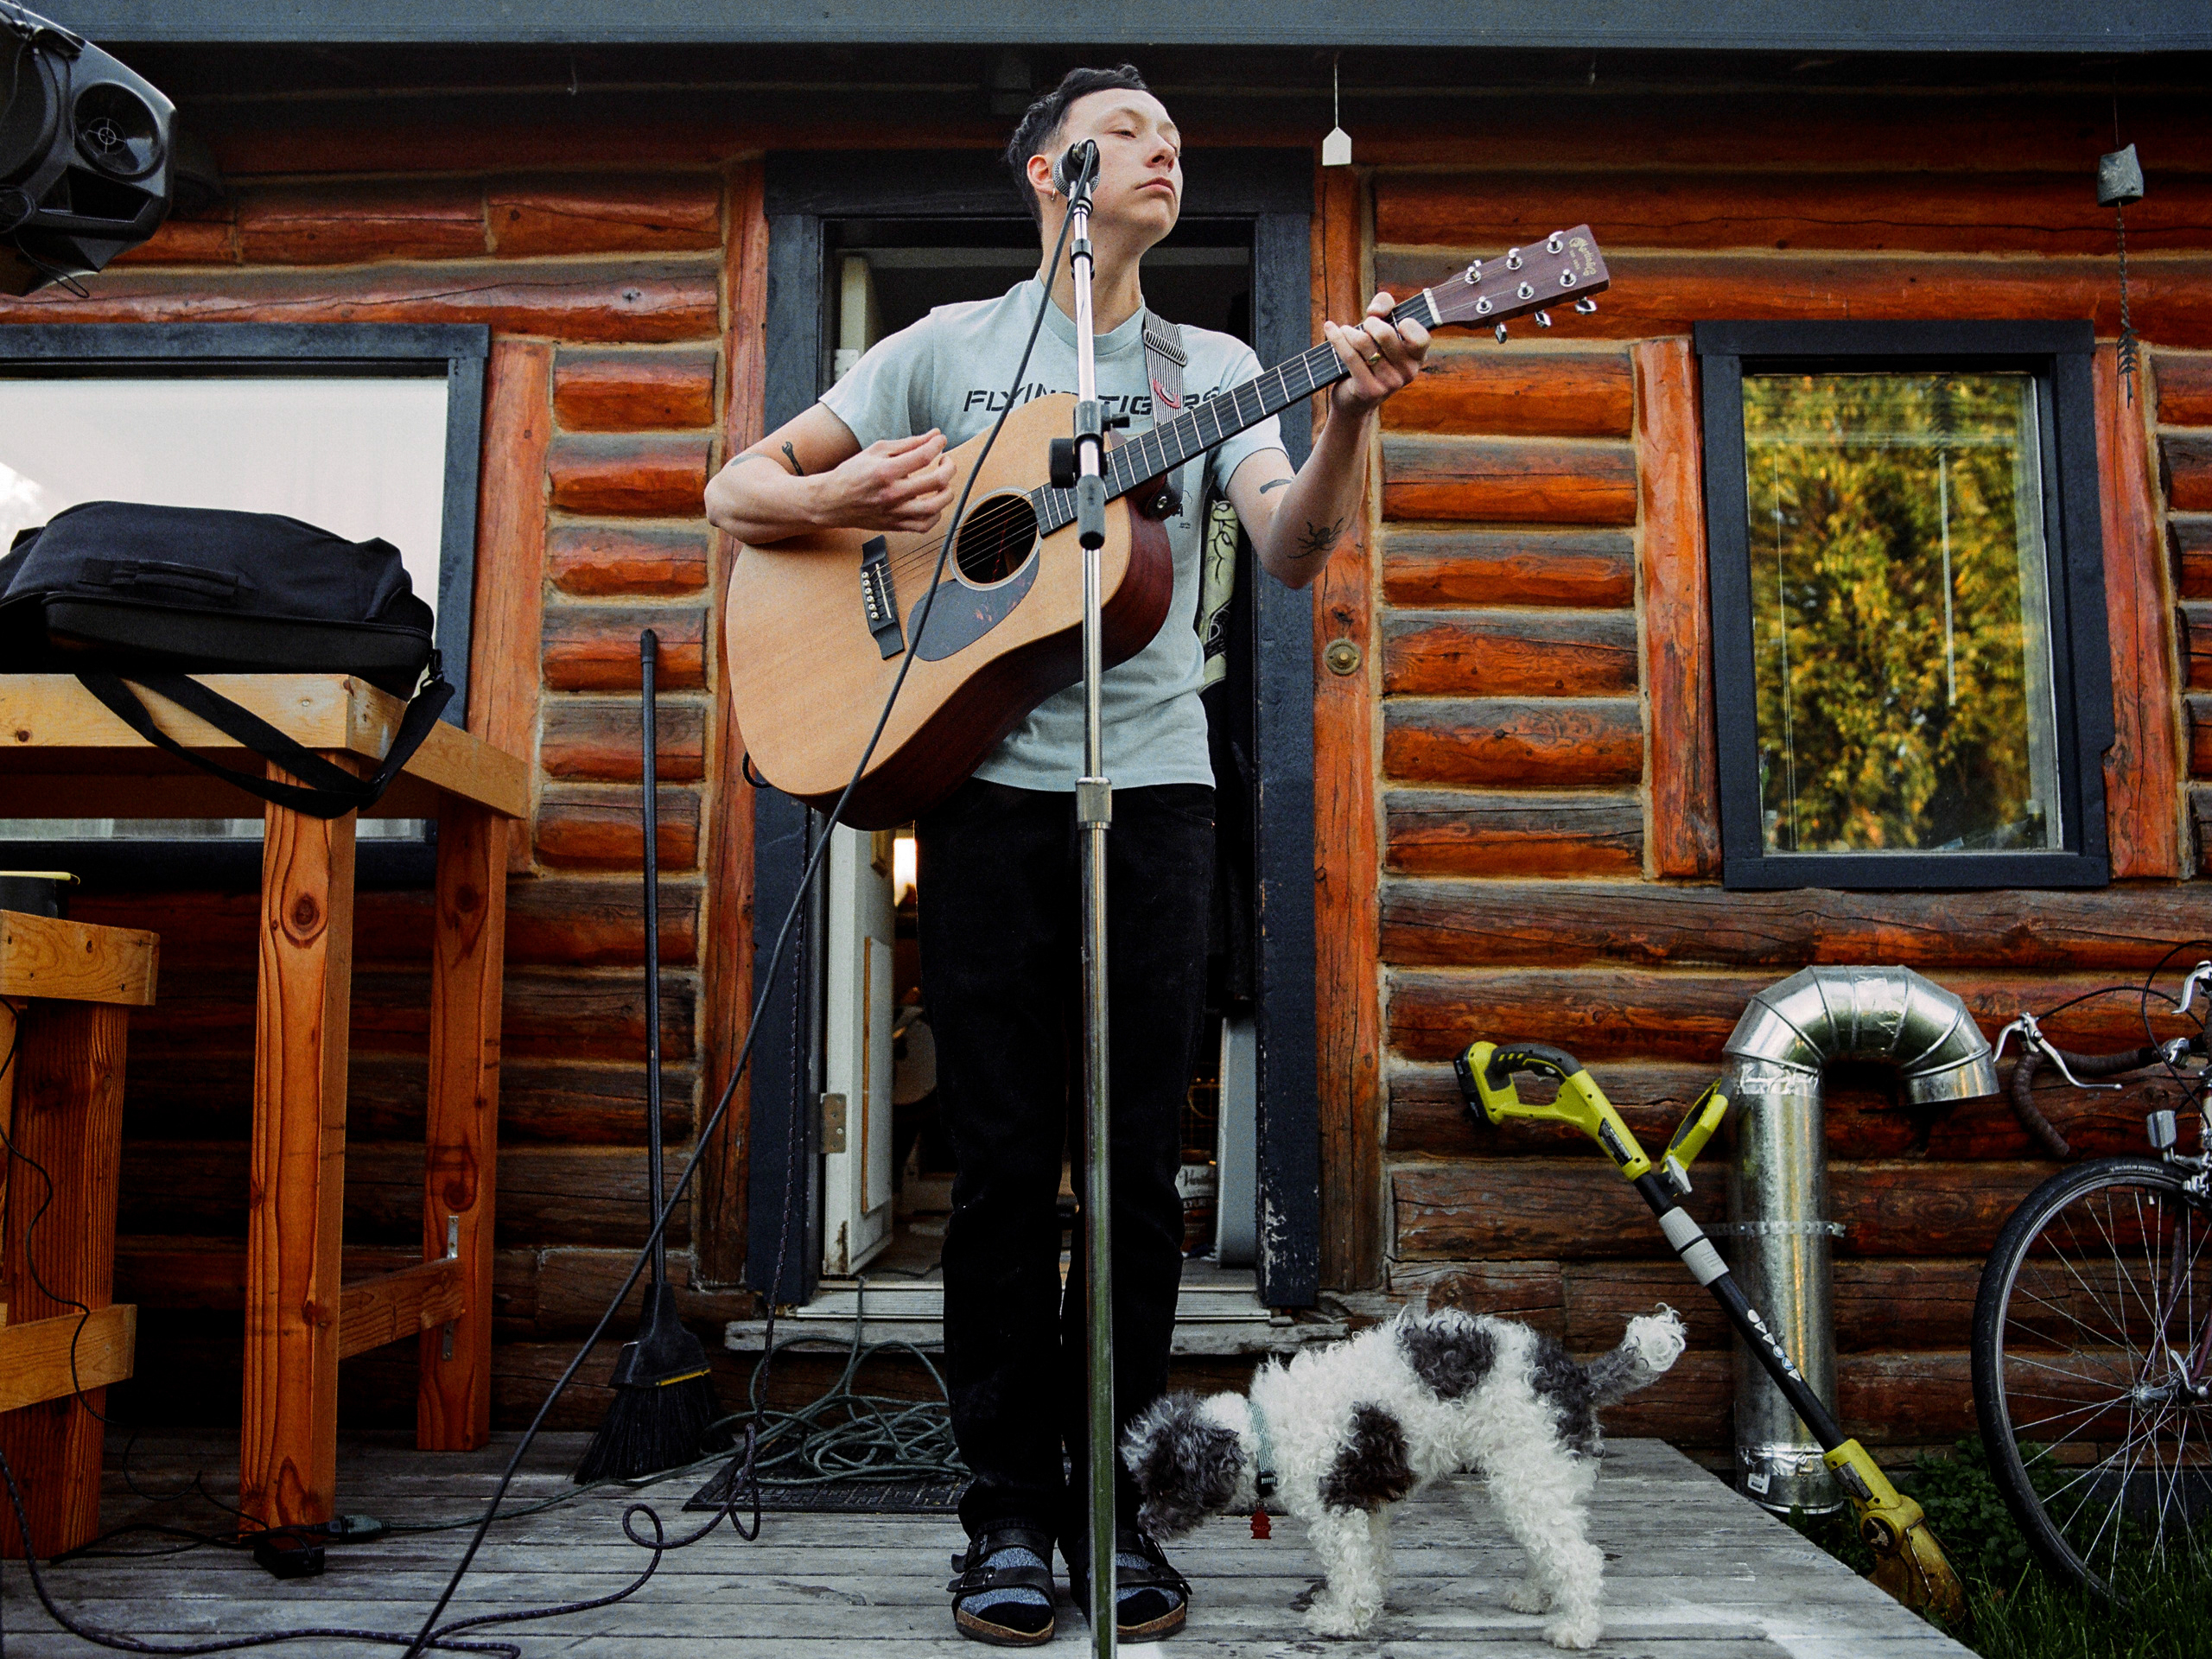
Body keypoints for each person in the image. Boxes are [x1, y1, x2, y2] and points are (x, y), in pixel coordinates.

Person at [704, 63, 1427, 1646]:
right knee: (998, 1175)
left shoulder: (1213, 362)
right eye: (1135, 131)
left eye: (1181, 135)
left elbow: (1295, 550)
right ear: (1054, 171)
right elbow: (733, 486)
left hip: (1155, 792)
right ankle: (1006, 1524)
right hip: (982, 804)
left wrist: (1351, 419)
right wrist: (841, 497)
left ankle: (1122, 1512)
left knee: (1136, 1185)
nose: (1170, 148)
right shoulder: (941, 349)